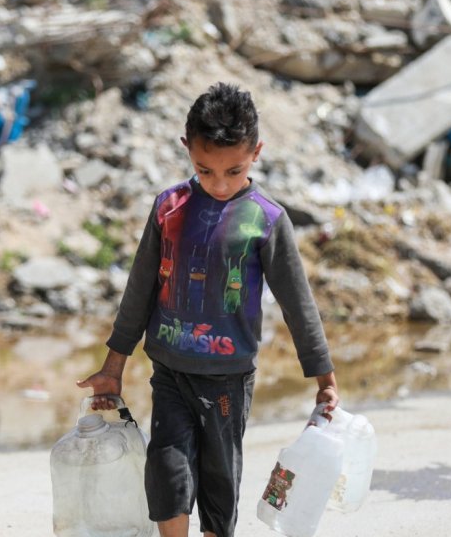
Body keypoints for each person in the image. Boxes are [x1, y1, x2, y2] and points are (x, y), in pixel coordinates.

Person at [77, 82, 338, 537]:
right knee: (167, 471)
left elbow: (298, 303)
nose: (219, 184)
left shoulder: (266, 219)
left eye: (234, 171)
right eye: (204, 170)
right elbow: (140, 288)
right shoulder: (169, 208)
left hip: (228, 378)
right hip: (170, 370)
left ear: (256, 152)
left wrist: (325, 379)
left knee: (219, 486)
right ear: (187, 149)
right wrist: (113, 365)